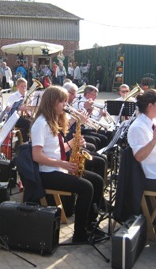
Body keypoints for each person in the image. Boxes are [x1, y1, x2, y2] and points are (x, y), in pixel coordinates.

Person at [31, 85, 104, 242]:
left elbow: (57, 149)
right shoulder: (41, 124)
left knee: (97, 181)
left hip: (58, 168)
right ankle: (79, 234)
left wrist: (72, 143)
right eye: (62, 102)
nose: (65, 106)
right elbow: (37, 156)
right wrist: (62, 164)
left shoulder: (52, 121)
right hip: (47, 173)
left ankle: (90, 224)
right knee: (86, 187)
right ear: (52, 102)